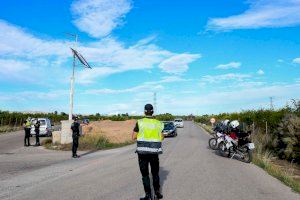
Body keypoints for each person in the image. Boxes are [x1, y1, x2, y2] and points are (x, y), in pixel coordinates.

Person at [132, 104, 164, 200]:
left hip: (142, 154)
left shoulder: (139, 122)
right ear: (152, 112)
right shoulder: (158, 123)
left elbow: (133, 137)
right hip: (154, 153)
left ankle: (148, 195)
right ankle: (157, 193)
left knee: (145, 175)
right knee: (155, 173)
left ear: (144, 112)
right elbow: (162, 137)